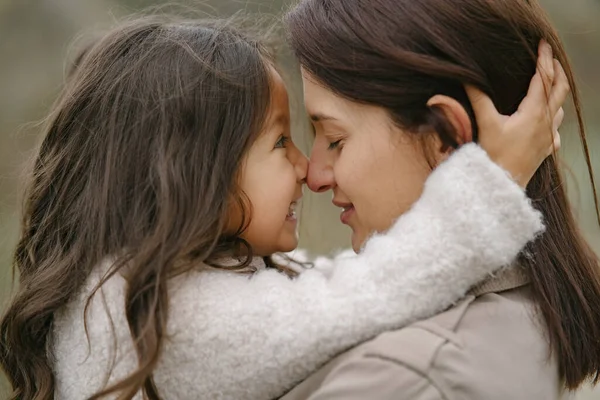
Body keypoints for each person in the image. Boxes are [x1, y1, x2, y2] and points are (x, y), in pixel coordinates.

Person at [0, 16, 563, 400]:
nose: (306, 169)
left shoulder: (147, 284)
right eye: (279, 143)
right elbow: (370, 292)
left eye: (328, 139)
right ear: (191, 174)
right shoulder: (156, 317)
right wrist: (495, 181)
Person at [281, 0, 600, 398]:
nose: (314, 176)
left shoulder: (405, 376)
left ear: (444, 136)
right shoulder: (522, 313)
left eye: (335, 140)